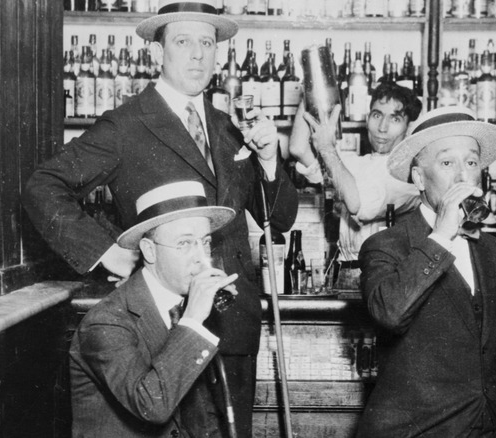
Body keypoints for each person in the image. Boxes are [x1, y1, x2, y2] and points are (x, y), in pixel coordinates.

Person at [22, 1, 298, 434]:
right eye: (182, 41)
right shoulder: (126, 125)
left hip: (234, 325)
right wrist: (106, 251)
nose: (197, 54)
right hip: (163, 329)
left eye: (206, 42)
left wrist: (268, 163)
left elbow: (277, 221)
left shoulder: (231, 127)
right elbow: (42, 187)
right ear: (158, 52)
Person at [357, 106, 496, 437]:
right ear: (419, 178)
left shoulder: (492, 251)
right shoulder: (387, 245)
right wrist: (441, 235)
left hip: (489, 427)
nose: (462, 176)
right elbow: (390, 313)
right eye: (447, 163)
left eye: (471, 163)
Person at [70, 181, 239, 437]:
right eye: (184, 243)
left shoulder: (185, 308)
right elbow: (152, 405)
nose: (201, 258)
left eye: (204, 243)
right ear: (149, 251)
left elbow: (202, 416)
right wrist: (193, 319)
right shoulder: (105, 322)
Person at [288, 83, 422, 287]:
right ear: (367, 118)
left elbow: (358, 206)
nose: (382, 128)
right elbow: (298, 148)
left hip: (383, 276)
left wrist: (327, 148)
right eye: (377, 115)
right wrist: (310, 87)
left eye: (395, 119)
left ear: (409, 127)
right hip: (344, 273)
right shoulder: (353, 163)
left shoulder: (409, 176)